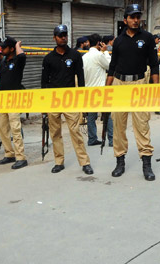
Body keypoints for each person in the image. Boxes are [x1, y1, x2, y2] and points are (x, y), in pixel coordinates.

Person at [106, 4, 158, 180]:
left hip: (140, 84)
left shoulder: (148, 38)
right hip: (119, 84)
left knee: (142, 125)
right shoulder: (118, 40)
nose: (136, 20)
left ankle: (147, 164)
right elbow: (112, 67)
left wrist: (156, 88)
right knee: (118, 125)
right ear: (125, 19)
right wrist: (107, 89)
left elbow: (154, 64)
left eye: (138, 17)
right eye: (132, 17)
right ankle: (120, 162)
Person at [42, 24, 93, 175]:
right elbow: (44, 82)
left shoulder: (75, 55)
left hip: (71, 99)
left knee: (75, 131)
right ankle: (59, 162)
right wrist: (44, 105)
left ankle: (85, 162)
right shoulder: (48, 58)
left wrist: (83, 100)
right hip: (53, 100)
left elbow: (81, 78)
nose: (63, 37)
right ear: (54, 38)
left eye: (65, 34)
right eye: (60, 35)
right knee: (55, 132)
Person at [0, 36, 27, 170]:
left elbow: (22, 57)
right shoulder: (2, 61)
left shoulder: (18, 61)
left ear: (11, 49)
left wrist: (18, 45)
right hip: (2, 98)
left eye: (4, 47)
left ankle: (20, 157)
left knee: (15, 128)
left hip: (14, 97)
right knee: (2, 128)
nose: (1, 49)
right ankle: (9, 154)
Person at [82, 33, 110, 146]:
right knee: (108, 116)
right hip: (100, 91)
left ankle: (92, 139)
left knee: (91, 118)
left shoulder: (84, 57)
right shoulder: (99, 55)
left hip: (89, 91)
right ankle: (112, 140)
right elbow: (109, 65)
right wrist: (106, 52)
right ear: (99, 43)